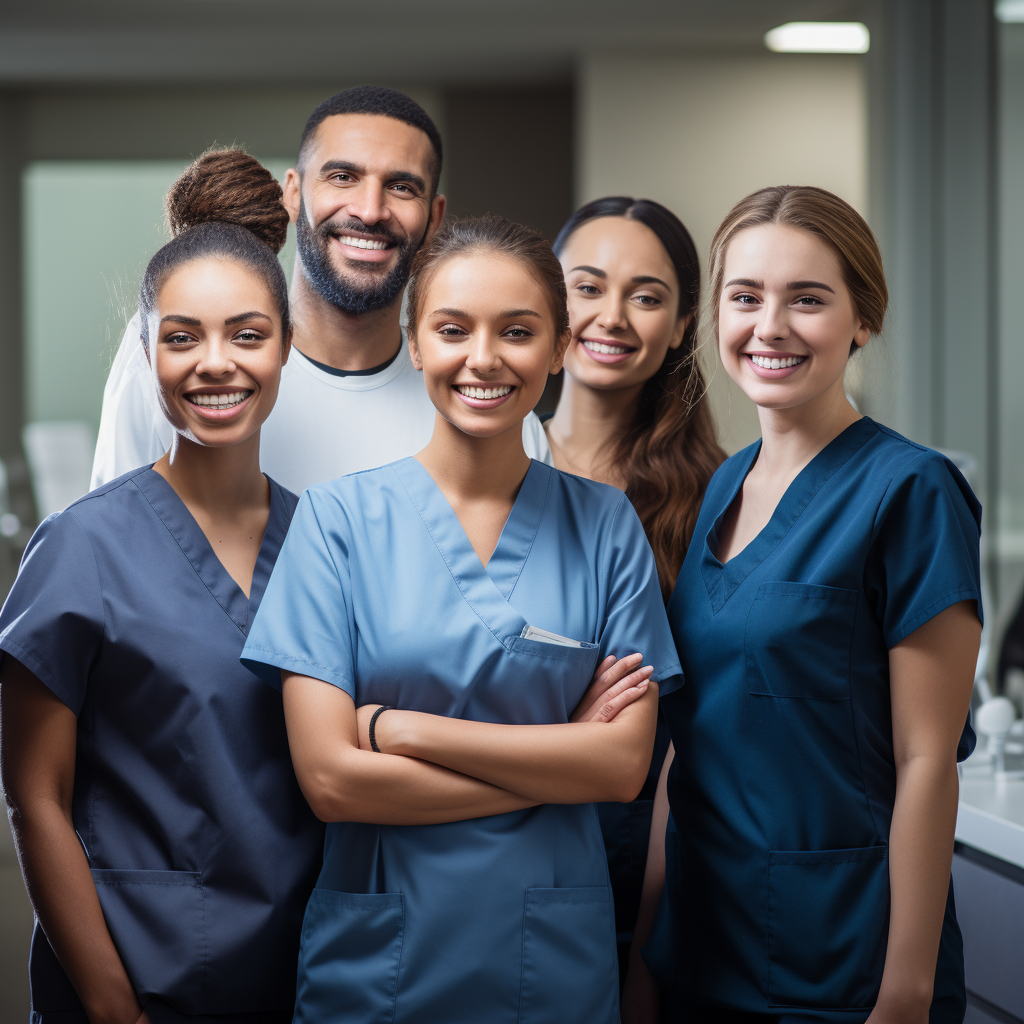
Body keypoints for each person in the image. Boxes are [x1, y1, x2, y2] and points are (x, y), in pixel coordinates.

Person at [239, 216, 684, 1023]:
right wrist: (555, 762)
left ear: (557, 349)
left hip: (547, 966)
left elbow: (622, 770)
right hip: (378, 969)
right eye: (453, 329)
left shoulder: (607, 524)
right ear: (415, 343)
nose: (484, 359)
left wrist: (400, 731)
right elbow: (332, 780)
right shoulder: (337, 522)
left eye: (517, 331)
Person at [625, 186, 982, 1024]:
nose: (770, 326)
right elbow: (691, 741)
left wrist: (906, 993)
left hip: (843, 966)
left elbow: (927, 761)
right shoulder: (721, 486)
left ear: (863, 320)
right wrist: (646, 950)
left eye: (808, 299)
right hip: (700, 952)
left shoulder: (911, 490)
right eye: (745, 297)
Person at [0, 151, 324, 1024]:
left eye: (247, 334)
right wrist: (113, 1009)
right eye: (182, 337)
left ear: (288, 346)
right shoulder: (81, 548)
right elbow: (35, 798)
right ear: (146, 351)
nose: (215, 363)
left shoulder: (326, 544)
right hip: (132, 983)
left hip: (313, 979)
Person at [91, 86, 551, 494]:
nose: (370, 211)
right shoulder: (182, 358)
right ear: (293, 192)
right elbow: (110, 541)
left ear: (433, 217)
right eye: (342, 177)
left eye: (401, 186)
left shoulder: (484, 399)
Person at [545, 197, 724, 979]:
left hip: (650, 850)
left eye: (646, 296)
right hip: (495, 838)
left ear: (682, 323)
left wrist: (651, 945)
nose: (610, 316)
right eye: (586, 287)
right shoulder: (482, 468)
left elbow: (696, 732)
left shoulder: (723, 496)